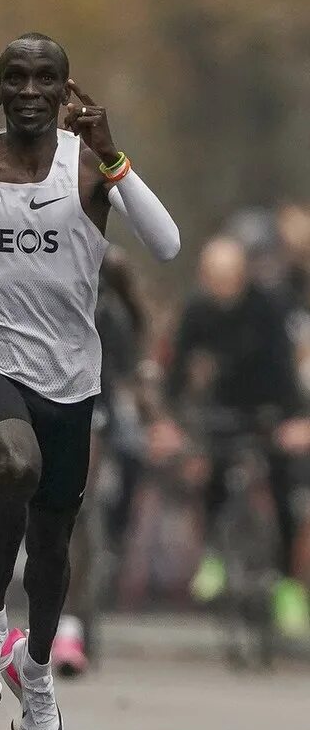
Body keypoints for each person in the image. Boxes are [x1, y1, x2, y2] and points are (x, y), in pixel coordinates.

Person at [0, 33, 180, 730]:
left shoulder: (88, 167)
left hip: (69, 375)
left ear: (65, 91)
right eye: (16, 78)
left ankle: (37, 669)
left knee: (54, 548)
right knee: (14, 468)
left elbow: (168, 244)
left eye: (44, 79)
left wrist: (115, 154)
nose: (29, 90)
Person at [155, 237, 309, 608]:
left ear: (241, 275)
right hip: (221, 410)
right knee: (211, 473)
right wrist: (170, 422)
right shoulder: (196, 312)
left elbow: (285, 371)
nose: (219, 285)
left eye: (227, 276)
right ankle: (214, 556)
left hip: (269, 409)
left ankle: (288, 588)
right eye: (212, 277)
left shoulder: (266, 308)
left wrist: (298, 420)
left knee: (284, 485)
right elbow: (175, 375)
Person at [57, 245, 149, 676]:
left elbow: (136, 337)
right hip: (36, 389)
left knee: (78, 506)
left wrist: (152, 408)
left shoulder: (109, 278)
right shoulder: (29, 252)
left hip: (92, 402)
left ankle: (73, 626)